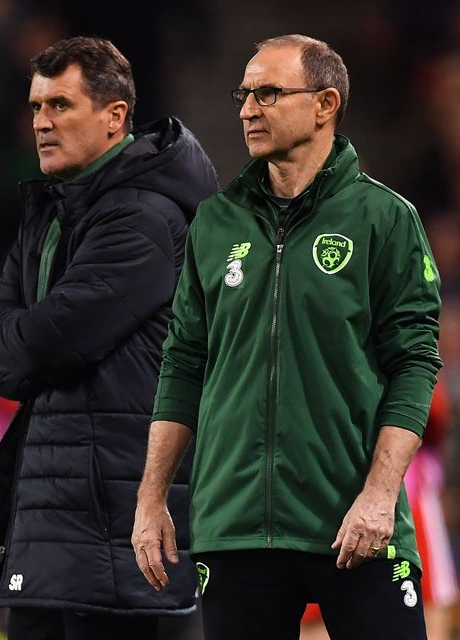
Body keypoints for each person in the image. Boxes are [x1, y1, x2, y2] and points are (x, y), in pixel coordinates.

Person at [132, 34, 442, 640]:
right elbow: (183, 364)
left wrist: (380, 496)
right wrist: (151, 498)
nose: (248, 108)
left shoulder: (385, 219)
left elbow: (415, 363)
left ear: (325, 103)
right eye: (243, 94)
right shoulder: (214, 223)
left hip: (355, 523)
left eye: (268, 93)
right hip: (235, 527)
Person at [0, 35, 218, 640]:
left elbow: (45, 343)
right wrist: (23, 343)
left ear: (115, 116)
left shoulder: (144, 216)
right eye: (37, 107)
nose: (42, 122)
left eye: (61, 105)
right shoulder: (52, 208)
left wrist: (23, 344)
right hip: (55, 526)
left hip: (119, 534)